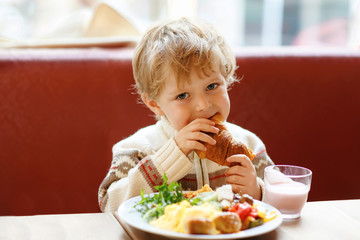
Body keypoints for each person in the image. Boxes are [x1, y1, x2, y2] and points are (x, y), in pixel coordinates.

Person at [98, 17, 274, 213]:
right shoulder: (138, 149)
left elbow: (283, 204)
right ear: (154, 104)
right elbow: (109, 205)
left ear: (226, 79)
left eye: (212, 86)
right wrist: (167, 161)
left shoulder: (249, 146)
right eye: (182, 95)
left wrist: (258, 191)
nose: (203, 105)